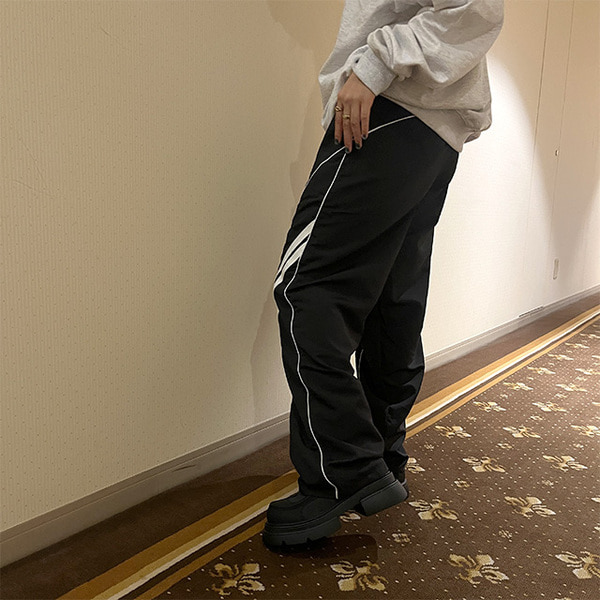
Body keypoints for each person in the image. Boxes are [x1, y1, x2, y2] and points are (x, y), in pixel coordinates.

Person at [263, 0, 504, 548]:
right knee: (393, 298)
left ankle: (345, 471)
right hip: (428, 129)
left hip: (387, 112)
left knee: (305, 289)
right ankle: (383, 453)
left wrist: (371, 69)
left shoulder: (382, 81)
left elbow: (478, 7)